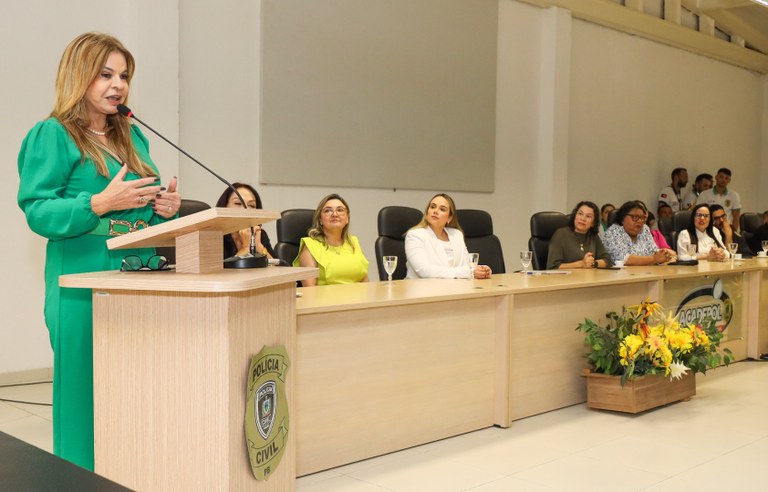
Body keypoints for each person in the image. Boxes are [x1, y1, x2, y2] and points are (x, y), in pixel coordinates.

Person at [16, 32, 181, 470]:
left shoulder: (133, 138)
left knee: (131, 385)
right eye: (106, 74)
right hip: (81, 271)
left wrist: (164, 209)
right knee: (83, 391)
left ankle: (128, 471)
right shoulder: (52, 134)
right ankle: (77, 476)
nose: (118, 85)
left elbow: (144, 212)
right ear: (80, 76)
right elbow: (38, 210)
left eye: (124, 75)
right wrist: (97, 203)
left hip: (134, 268)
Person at [405, 193, 492, 279]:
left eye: (442, 209)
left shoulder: (456, 235)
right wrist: (469, 272)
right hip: (422, 290)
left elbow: (467, 265)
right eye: (432, 207)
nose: (435, 211)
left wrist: (481, 270)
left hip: (454, 288)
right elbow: (423, 270)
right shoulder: (415, 235)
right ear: (427, 212)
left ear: (449, 218)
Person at [294, 194, 369, 286]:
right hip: (328, 300)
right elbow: (309, 291)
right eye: (328, 211)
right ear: (320, 220)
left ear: (347, 218)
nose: (335, 214)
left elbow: (365, 282)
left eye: (340, 210)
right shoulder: (310, 246)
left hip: (360, 299)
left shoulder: (353, 242)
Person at [603, 200, 677, 266]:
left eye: (642, 218)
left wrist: (665, 254)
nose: (640, 221)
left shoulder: (644, 229)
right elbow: (624, 259)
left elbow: (653, 251)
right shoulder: (613, 232)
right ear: (623, 218)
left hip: (646, 274)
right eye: (635, 217)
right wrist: (654, 259)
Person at [215, 183, 275, 259]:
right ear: (224, 206)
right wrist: (245, 247)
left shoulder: (259, 234)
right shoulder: (214, 236)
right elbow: (220, 269)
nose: (245, 209)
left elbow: (279, 267)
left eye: (251, 205)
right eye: (238, 203)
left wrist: (259, 246)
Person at [546, 201, 612, 269]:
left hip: (588, 278)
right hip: (567, 278)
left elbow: (608, 260)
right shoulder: (561, 234)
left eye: (588, 216)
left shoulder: (593, 236)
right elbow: (552, 267)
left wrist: (593, 263)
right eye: (580, 214)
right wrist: (581, 264)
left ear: (593, 223)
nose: (583, 219)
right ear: (575, 216)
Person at [696, 167, 741, 232]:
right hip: (709, 230)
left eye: (726, 178)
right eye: (721, 177)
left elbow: (736, 217)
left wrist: (733, 233)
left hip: (727, 230)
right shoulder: (704, 194)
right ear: (716, 177)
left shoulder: (734, 195)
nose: (723, 180)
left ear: (729, 180)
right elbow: (699, 214)